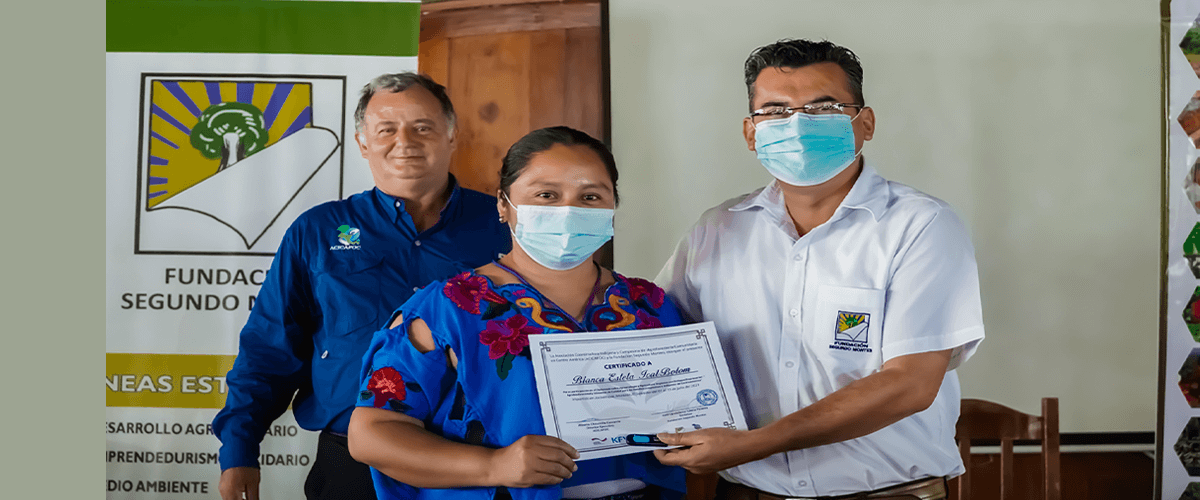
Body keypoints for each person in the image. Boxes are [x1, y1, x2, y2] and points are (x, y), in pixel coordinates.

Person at [653, 39, 986, 500]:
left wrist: (754, 444)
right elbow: (657, 339)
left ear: (865, 124)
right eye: (775, 110)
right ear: (751, 133)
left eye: (823, 107)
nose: (797, 124)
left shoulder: (920, 226)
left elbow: (909, 383)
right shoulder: (717, 230)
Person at [212, 72, 512, 500]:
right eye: (386, 129)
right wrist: (239, 449)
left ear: (451, 136)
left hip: (476, 460)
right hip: (351, 464)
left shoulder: (505, 226)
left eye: (422, 127)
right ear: (362, 143)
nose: (404, 141)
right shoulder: (318, 231)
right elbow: (269, 348)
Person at [347, 126, 687, 500]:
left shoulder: (648, 304)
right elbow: (371, 432)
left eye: (590, 196)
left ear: (612, 207)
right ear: (503, 204)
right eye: (546, 195)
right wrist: (494, 465)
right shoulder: (449, 308)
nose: (568, 211)